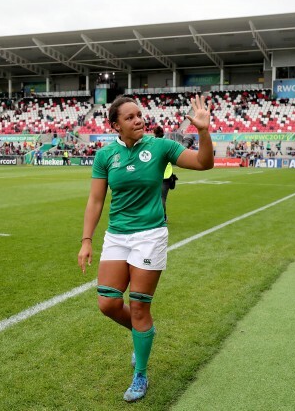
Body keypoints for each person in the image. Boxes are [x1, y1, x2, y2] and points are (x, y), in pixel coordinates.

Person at [77, 94, 213, 402]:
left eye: (140, 115)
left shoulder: (160, 147)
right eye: (130, 117)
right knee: (108, 304)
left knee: (139, 306)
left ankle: (140, 374)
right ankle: (144, 334)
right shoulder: (105, 155)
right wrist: (87, 240)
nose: (139, 120)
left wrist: (203, 131)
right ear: (115, 125)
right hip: (117, 236)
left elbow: (204, 163)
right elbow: (96, 200)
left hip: (150, 235)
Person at [153, 126, 177, 223]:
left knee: (155, 197)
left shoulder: (152, 144)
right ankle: (163, 217)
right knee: (162, 198)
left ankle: (158, 217)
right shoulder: (167, 143)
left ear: (154, 133)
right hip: (166, 175)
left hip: (155, 174)